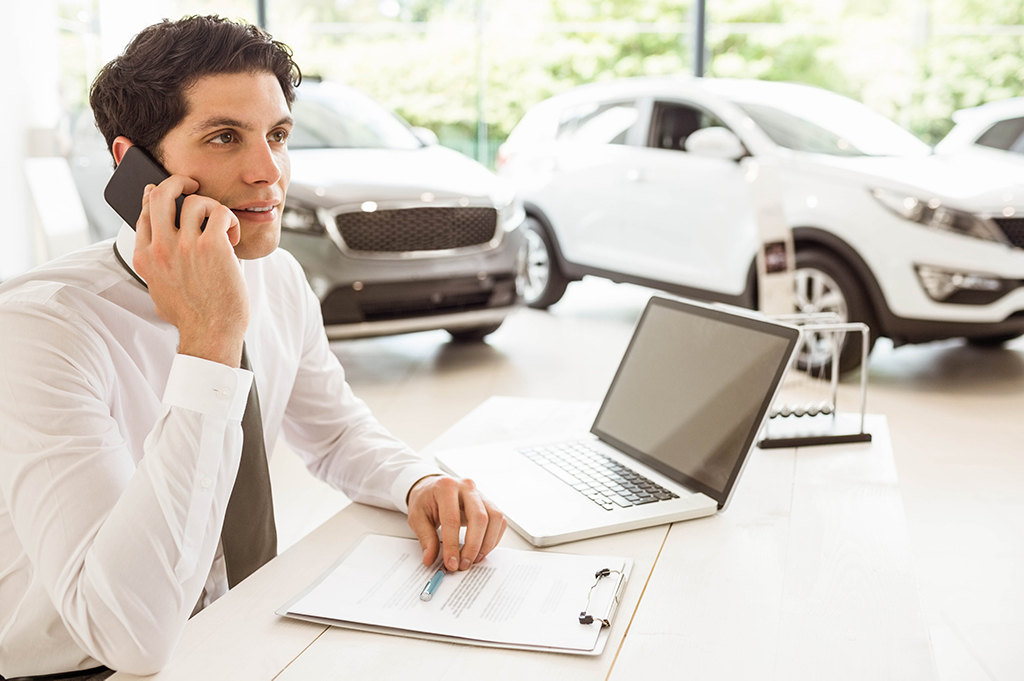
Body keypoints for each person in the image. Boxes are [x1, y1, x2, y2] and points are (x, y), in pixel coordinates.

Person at [0, 16, 505, 679]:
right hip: (80, 666)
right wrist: (208, 341)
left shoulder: (278, 277)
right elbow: (127, 635)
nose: (269, 171)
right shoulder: (40, 329)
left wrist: (414, 480)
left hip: (226, 630)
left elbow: (334, 432)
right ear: (135, 167)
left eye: (278, 135)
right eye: (224, 136)